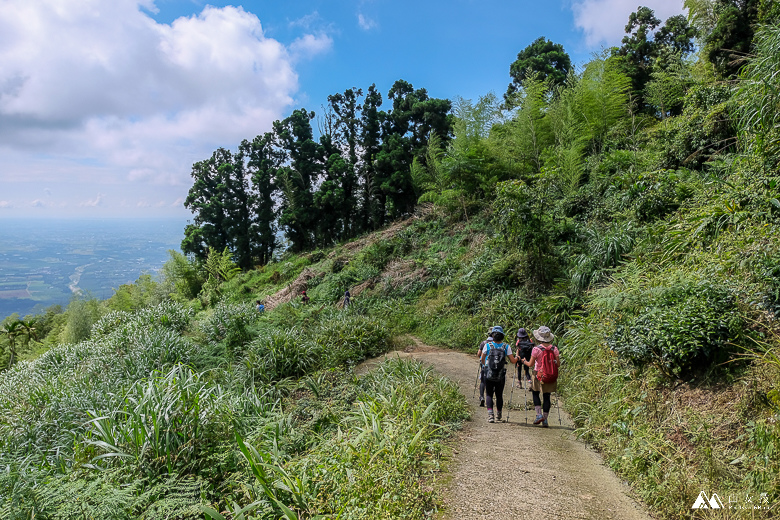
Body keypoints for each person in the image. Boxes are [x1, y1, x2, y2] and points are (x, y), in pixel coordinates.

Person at [480, 326, 519, 423]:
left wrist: (486, 366)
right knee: (499, 394)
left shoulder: (487, 345)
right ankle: (499, 413)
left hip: (489, 373)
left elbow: (482, 358)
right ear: (502, 336)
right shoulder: (506, 346)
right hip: (500, 375)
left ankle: (490, 415)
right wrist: (517, 358)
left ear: (492, 335)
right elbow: (513, 361)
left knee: (489, 393)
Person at [522, 326, 560, 428]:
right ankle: (545, 419)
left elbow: (530, 364)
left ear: (538, 338)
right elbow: (558, 364)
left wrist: (523, 361)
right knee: (547, 396)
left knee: (535, 393)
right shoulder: (554, 349)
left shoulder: (536, 349)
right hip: (551, 375)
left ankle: (539, 415)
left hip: (538, 374)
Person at [476, 330, 494, 407]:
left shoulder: (484, 343)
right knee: (492, 382)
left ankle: (481, 397)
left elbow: (478, 354)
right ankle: (490, 399)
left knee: (483, 381)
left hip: (485, 365)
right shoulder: (497, 343)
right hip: (494, 366)